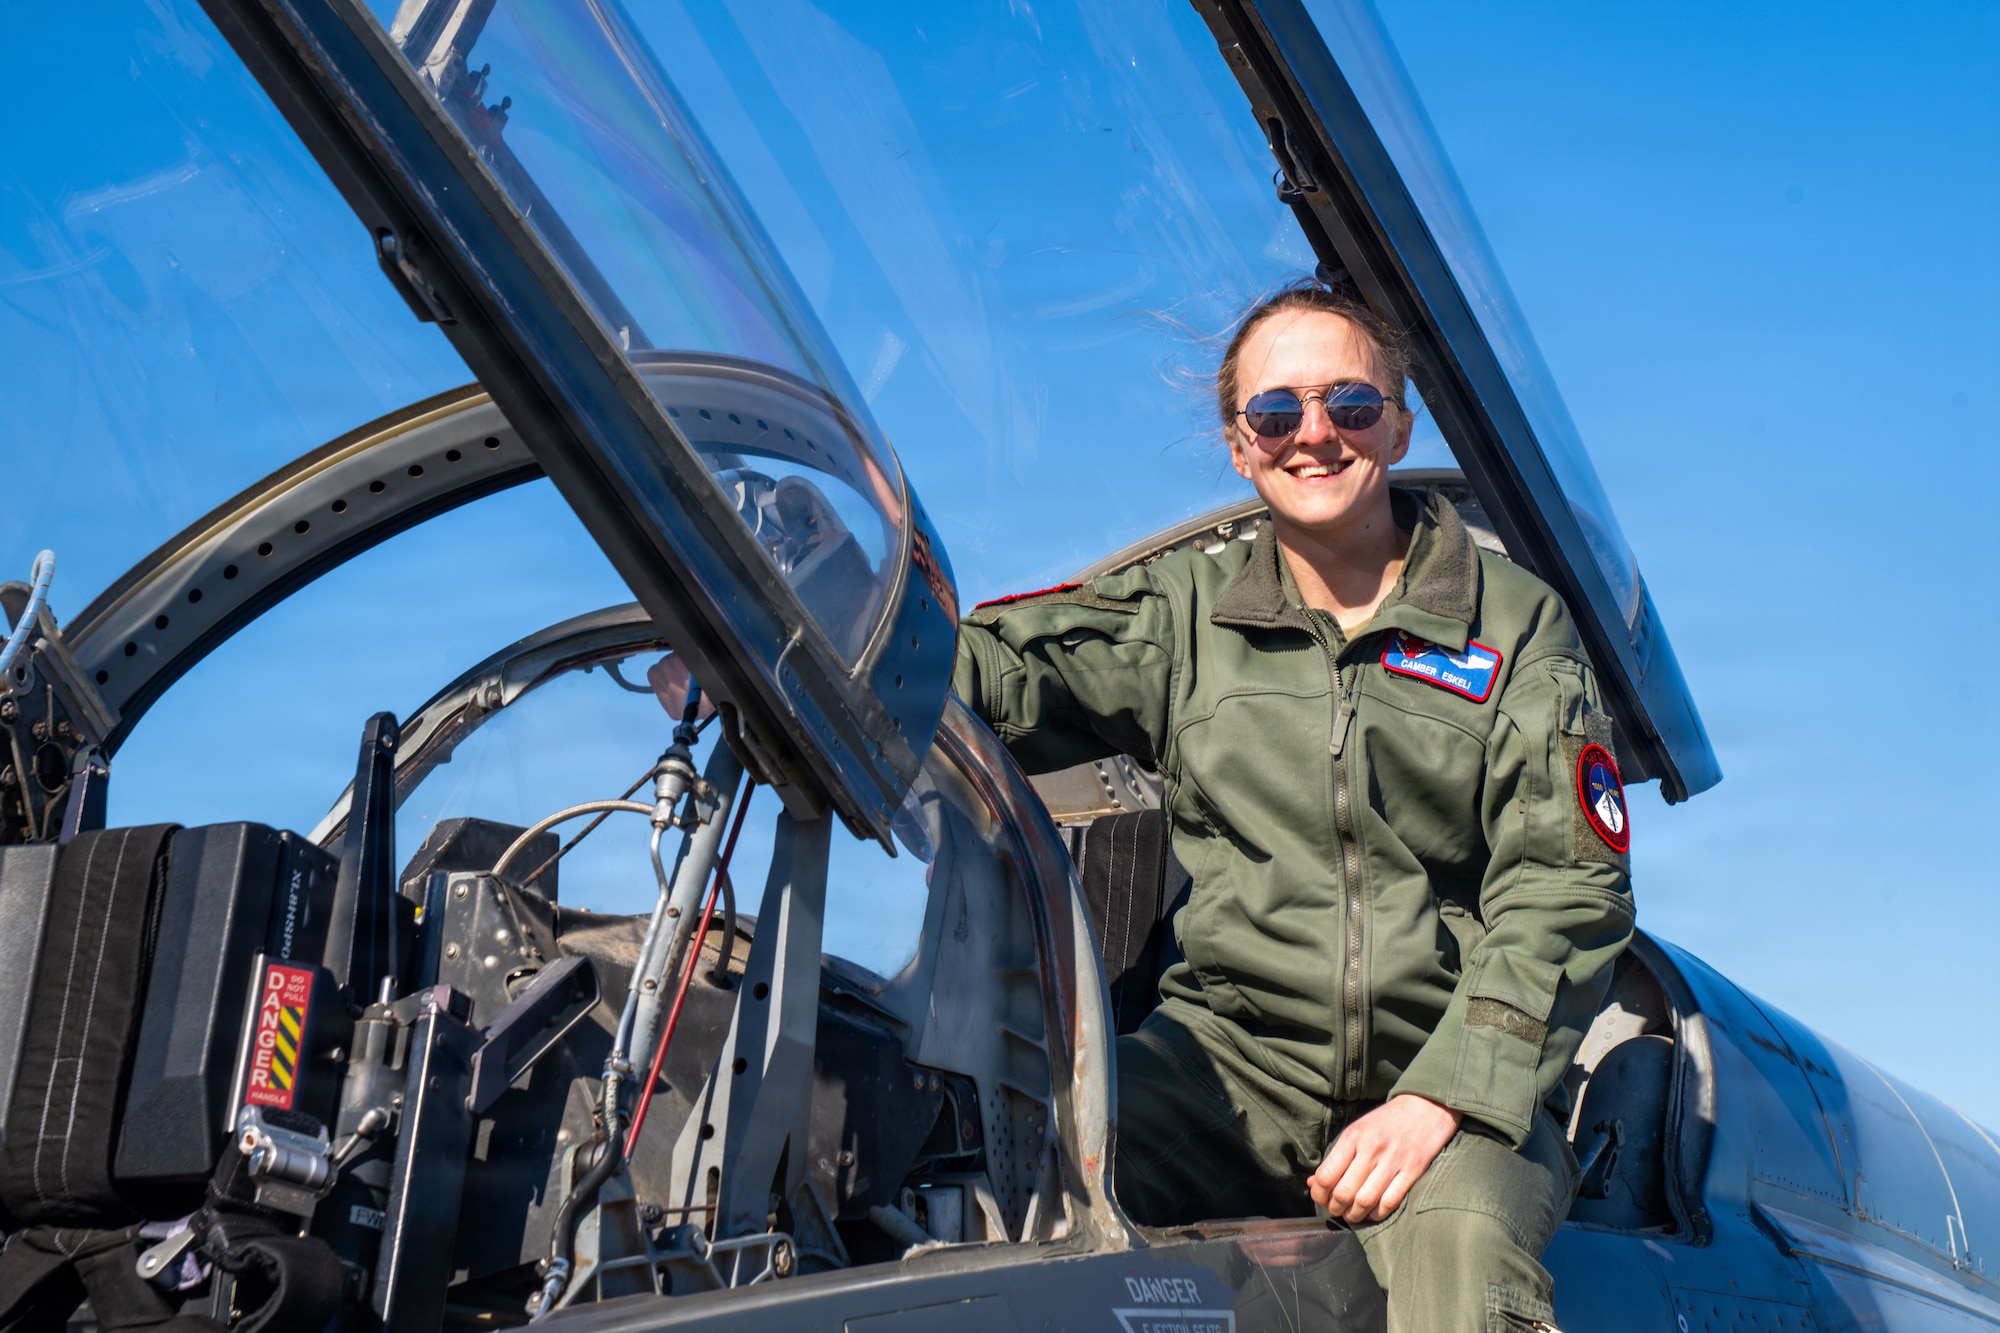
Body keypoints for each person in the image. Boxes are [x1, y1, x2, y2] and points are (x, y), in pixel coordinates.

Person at [950, 281, 1635, 1332]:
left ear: (1397, 426)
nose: (1311, 434)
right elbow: (986, 675)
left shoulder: (1511, 624)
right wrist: (788, 636)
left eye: (1348, 405)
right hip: (1226, 1063)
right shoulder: (1184, 613)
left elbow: (1562, 886)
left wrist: (1440, 1097)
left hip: (1446, 1080)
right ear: (1238, 444)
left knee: (1462, 1255)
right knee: (999, 1155)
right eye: (1274, 414)